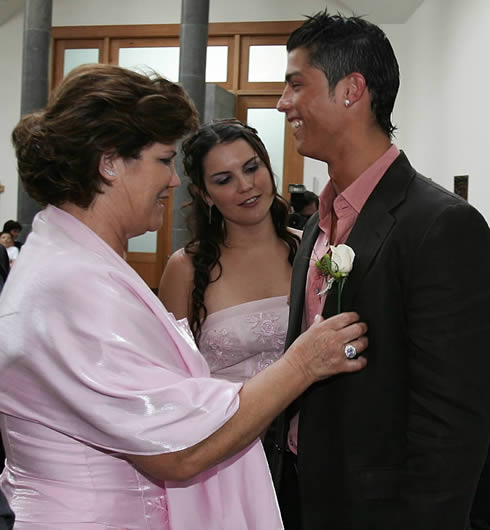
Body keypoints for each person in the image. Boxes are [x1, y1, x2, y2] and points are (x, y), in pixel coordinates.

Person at [0, 63, 368, 529]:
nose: (172, 181)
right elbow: (177, 449)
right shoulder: (70, 285)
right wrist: (302, 363)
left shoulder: (77, 263)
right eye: (161, 160)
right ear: (110, 163)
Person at [274, 10, 490, 530]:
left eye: (296, 85)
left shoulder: (440, 225)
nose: (283, 104)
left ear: (352, 90)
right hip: (302, 494)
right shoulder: (317, 227)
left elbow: (454, 418)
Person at [159, 119, 300, 385]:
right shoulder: (186, 268)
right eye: (224, 180)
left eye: (251, 168)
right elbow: (170, 379)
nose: (245, 185)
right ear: (206, 195)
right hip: (226, 422)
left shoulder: (311, 250)